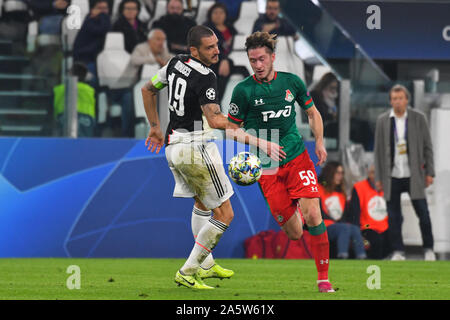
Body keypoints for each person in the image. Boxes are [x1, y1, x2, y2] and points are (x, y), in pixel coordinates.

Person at [141, 26, 283, 289]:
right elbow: (215, 120)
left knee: (203, 205)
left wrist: (154, 126)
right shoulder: (205, 76)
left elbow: (148, 89)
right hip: (195, 147)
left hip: (174, 147)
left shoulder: (175, 62)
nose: (217, 50)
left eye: (217, 44)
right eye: (209, 47)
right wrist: (257, 138)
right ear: (194, 50)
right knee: (225, 213)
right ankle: (188, 270)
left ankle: (205, 265)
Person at [226, 31, 335, 293]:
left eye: (262, 59)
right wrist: (261, 144)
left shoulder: (292, 83)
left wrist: (319, 142)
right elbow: (231, 130)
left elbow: (312, 112)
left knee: (313, 213)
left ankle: (323, 279)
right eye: (253, 61)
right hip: (267, 169)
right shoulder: (243, 91)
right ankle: (292, 204)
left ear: (273, 57)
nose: (258, 65)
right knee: (296, 233)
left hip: (297, 158)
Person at [374, 84, 436, 261]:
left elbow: (427, 147)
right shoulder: (383, 120)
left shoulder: (418, 118)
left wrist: (429, 172)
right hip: (391, 175)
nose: (397, 102)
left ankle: (429, 248)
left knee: (423, 213)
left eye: (400, 98)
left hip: (413, 175)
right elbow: (378, 150)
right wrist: (378, 177)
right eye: (394, 99)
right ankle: (398, 251)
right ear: (390, 101)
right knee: (393, 216)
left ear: (407, 100)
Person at [317, 161, 367, 260]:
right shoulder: (319, 189)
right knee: (344, 228)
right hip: (324, 226)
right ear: (330, 173)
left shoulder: (341, 194)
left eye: (342, 173)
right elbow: (319, 214)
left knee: (354, 228)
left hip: (338, 226)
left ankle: (362, 257)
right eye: (337, 173)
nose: (340, 176)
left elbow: (343, 216)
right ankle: (342, 256)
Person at [347, 163, 389, 259]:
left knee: (393, 239)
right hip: (366, 227)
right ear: (368, 174)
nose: (375, 176)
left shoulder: (388, 188)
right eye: (373, 173)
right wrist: (357, 234)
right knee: (376, 240)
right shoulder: (359, 187)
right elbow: (354, 213)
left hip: (385, 227)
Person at [203, 2, 237, 103]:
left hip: (231, 59)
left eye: (221, 12)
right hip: (214, 61)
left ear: (225, 15)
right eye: (215, 13)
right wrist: (224, 59)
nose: (218, 15)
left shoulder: (231, 29)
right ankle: (216, 102)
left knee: (245, 69)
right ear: (210, 15)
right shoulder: (207, 29)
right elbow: (211, 47)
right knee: (222, 68)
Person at [73, 0, 111, 88]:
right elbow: (103, 30)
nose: (102, 11)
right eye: (99, 8)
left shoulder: (102, 21)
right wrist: (104, 16)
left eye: (105, 8)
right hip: (86, 60)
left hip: (98, 59)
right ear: (92, 10)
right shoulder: (90, 22)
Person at [53, 62, 96, 137]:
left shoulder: (58, 90)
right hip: (87, 120)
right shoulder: (91, 91)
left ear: (70, 74)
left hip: (63, 117)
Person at [310, 72, 339, 138]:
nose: (333, 91)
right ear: (325, 85)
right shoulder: (315, 95)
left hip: (333, 127)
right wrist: (332, 116)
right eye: (331, 88)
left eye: (335, 88)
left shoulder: (337, 97)